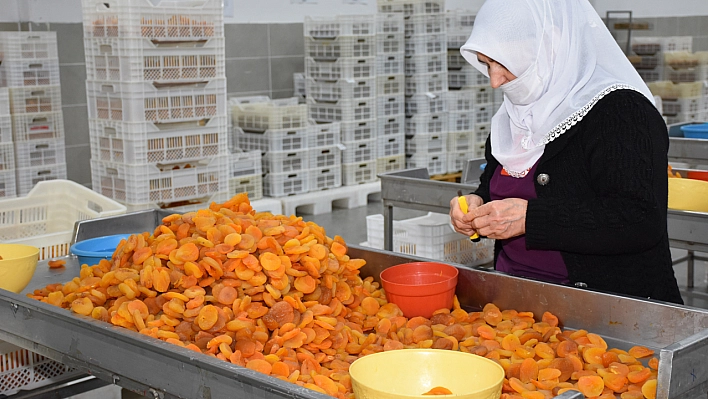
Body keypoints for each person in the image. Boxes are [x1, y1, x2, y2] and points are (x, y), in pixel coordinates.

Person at [449, 0, 684, 304]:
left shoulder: (622, 112)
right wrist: (477, 203)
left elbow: (639, 219)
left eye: (503, 63)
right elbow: (499, 183)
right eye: (486, 64)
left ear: (548, 46)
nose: (494, 81)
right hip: (516, 301)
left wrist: (530, 220)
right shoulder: (517, 117)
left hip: (606, 310)